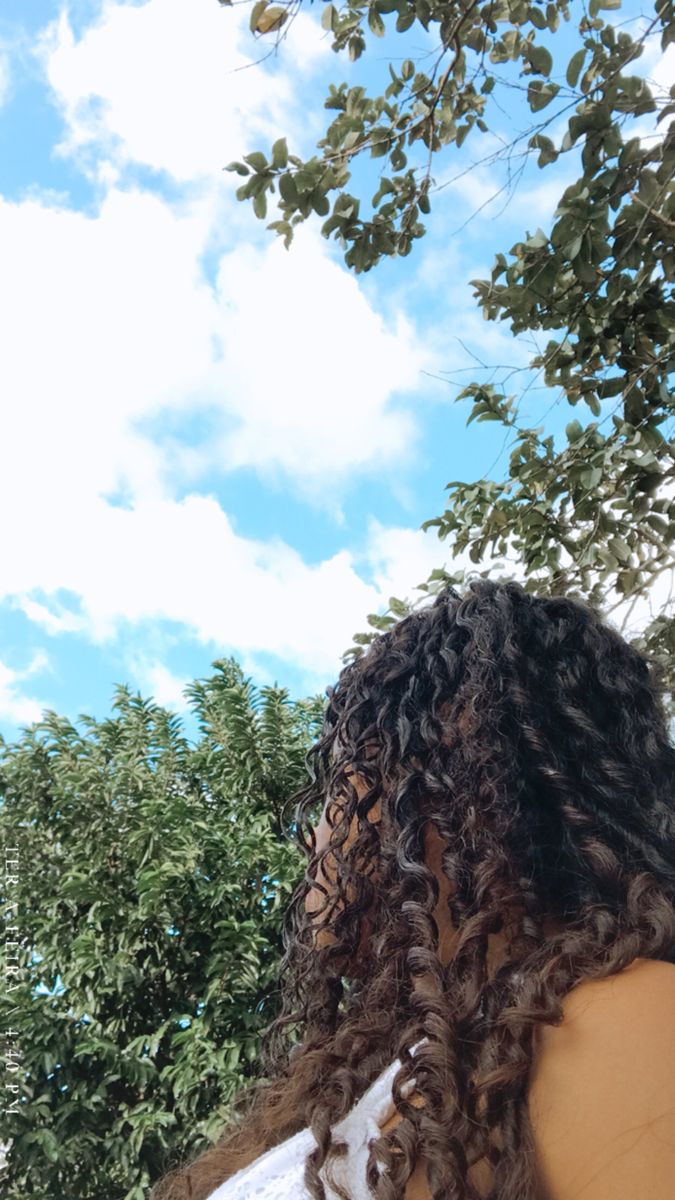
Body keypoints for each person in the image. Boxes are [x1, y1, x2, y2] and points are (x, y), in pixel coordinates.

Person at [150, 578, 675, 1200]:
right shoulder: (414, 1062)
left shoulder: (620, 1025)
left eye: (339, 788)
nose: (316, 833)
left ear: (443, 791)